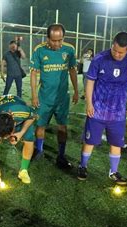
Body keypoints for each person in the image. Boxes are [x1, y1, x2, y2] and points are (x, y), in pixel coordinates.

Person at [77, 32, 127, 185]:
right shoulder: (99, 58)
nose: (117, 54)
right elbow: (90, 82)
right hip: (97, 110)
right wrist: (89, 103)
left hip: (117, 113)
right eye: (115, 50)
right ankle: (83, 166)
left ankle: (113, 172)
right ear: (112, 44)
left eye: (121, 52)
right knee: (90, 141)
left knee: (116, 143)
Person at [30, 23, 79, 169]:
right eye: (53, 40)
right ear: (47, 38)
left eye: (60, 40)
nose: (57, 43)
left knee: (63, 127)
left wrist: (76, 91)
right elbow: (33, 74)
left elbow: (72, 71)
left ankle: (61, 156)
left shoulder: (69, 50)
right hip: (44, 98)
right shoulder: (39, 50)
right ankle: (39, 150)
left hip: (62, 98)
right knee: (40, 125)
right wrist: (34, 96)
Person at [0, 95, 36, 188]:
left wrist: (20, 133)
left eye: (7, 136)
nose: (5, 139)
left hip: (20, 116)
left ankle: (23, 170)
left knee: (29, 140)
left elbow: (33, 117)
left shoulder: (22, 111)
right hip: (0, 112)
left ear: (14, 124)